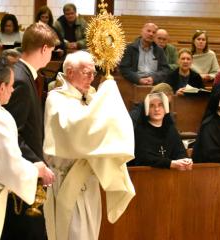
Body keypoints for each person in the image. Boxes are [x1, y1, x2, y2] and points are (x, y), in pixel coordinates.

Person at [43, 50, 135, 240]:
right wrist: (107, 94)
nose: (92, 79)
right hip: (68, 179)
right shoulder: (57, 98)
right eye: (87, 73)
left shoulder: (90, 98)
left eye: (94, 74)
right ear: (70, 72)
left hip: (89, 183)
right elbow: (78, 132)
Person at [0, 55, 54, 240]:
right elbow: (8, 168)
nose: (12, 90)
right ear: (1, 87)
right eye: (10, 85)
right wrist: (36, 169)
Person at [1, 22, 59, 240]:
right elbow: (12, 132)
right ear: (44, 48)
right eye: (51, 51)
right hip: (23, 176)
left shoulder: (21, 74)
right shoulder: (22, 80)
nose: (51, 55)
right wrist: (38, 165)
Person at [132, 92, 193, 170]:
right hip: (147, 176)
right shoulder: (140, 131)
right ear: (146, 110)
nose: (157, 109)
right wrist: (170, 163)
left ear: (165, 109)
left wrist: (185, 160)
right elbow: (144, 158)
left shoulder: (170, 129)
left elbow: (179, 151)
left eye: (160, 105)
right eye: (152, 106)